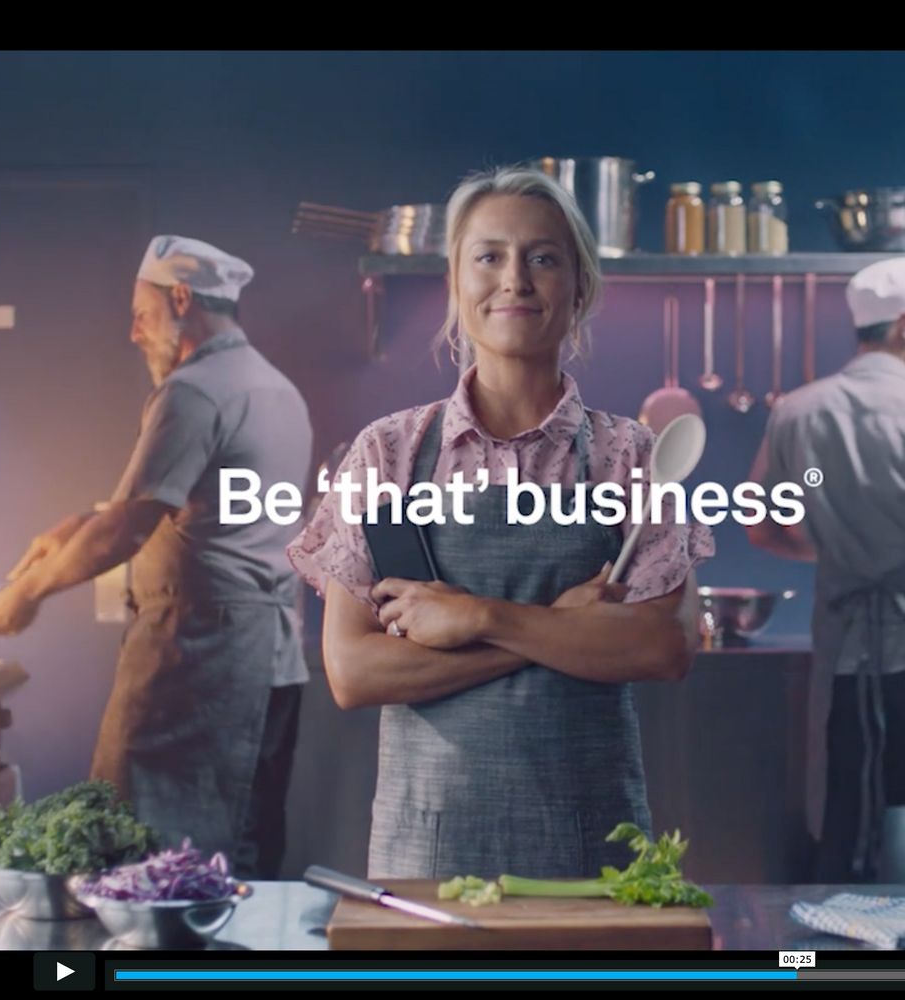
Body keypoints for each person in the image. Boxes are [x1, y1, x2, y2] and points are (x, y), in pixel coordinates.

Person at [287, 166, 712, 879]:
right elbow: (354, 672)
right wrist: (556, 625)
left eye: (542, 258)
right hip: (426, 849)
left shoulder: (630, 457)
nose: (515, 279)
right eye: (489, 256)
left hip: (592, 850)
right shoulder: (388, 454)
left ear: (578, 288)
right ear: (456, 283)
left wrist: (476, 616)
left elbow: (664, 646)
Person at [0, 235, 313, 878]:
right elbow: (192, 506)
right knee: (243, 850)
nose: (134, 332)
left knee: (149, 850)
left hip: (199, 655)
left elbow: (130, 528)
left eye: (142, 311)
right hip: (271, 658)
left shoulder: (193, 390)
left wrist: (26, 592)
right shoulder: (273, 388)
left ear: (182, 299)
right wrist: (76, 525)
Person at [747, 256, 905, 882]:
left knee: (846, 835)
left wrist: (834, 553)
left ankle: (828, 968)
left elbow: (757, 518)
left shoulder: (795, 411)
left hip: (843, 656)